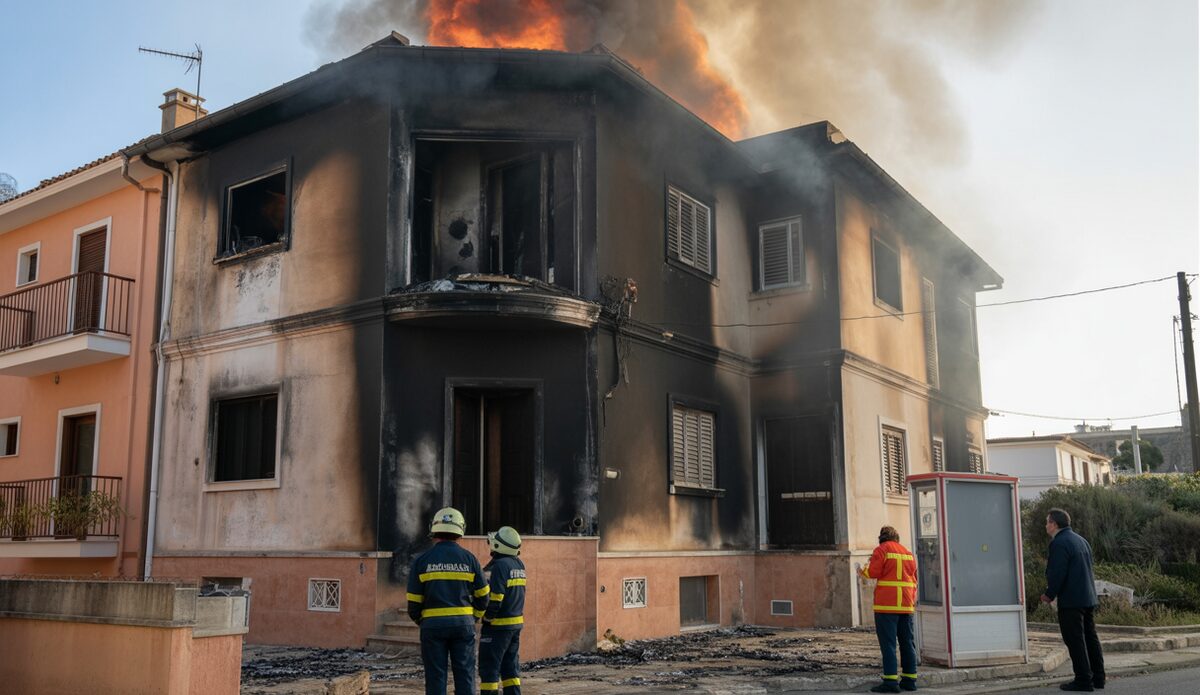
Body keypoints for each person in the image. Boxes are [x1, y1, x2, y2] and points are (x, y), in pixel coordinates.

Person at [407, 507, 490, 695]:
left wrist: (423, 621)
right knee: (465, 675)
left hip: (432, 628)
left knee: (436, 677)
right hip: (463, 626)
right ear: (460, 530)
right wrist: (474, 617)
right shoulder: (470, 559)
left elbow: (413, 603)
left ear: (434, 529)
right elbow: (484, 596)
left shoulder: (422, 561)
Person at [1040, 508, 1105, 692]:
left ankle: (1083, 680)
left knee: (1075, 640)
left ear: (1054, 524)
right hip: (1088, 597)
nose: (1046, 526)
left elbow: (1057, 573)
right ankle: (1098, 678)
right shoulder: (1081, 540)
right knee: (1090, 638)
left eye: (1047, 522)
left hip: (1071, 600)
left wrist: (1049, 594)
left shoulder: (1059, 543)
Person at [860, 525, 919, 693]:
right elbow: (914, 579)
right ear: (897, 537)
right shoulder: (908, 553)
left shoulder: (882, 550)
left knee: (889, 644)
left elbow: (873, 572)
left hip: (886, 605)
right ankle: (909, 680)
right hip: (906, 605)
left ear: (881, 537)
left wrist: (861, 570)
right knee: (907, 643)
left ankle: (891, 682)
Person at [479, 526, 526, 694]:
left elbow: (496, 597)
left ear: (500, 546)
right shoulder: (518, 564)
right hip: (515, 625)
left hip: (498, 627)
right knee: (510, 667)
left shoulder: (499, 566)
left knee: (489, 668)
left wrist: (487, 619)